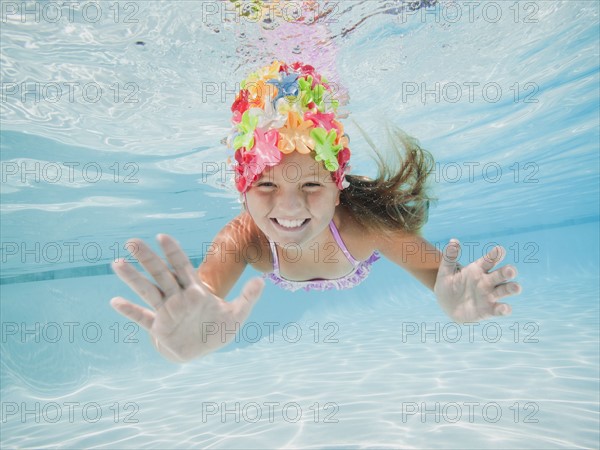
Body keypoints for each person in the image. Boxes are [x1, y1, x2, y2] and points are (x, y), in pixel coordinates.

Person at [110, 61, 522, 363]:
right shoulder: (242, 239)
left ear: (337, 188)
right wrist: (174, 343)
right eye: (267, 185)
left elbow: (441, 280)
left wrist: (449, 302)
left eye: (311, 185)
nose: (289, 207)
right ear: (242, 191)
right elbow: (199, 302)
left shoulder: (367, 228)